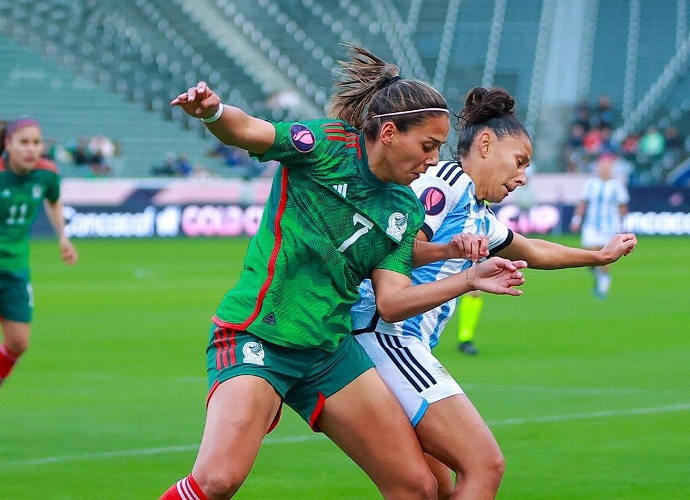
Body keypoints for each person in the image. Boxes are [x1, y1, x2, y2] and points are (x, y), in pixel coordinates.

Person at [161, 45, 528, 500]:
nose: (434, 161)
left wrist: (468, 278)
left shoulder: (403, 208)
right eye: (428, 146)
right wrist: (213, 112)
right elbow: (248, 130)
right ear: (389, 132)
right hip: (258, 335)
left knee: (415, 486)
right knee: (218, 481)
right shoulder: (325, 146)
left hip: (329, 351)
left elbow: (391, 301)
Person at [352, 86, 637, 498]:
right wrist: (455, 256)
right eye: (519, 162)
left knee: (430, 488)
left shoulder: (479, 213)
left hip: (398, 341)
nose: (523, 176)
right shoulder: (446, 181)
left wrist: (598, 257)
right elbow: (394, 249)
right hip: (386, 335)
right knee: (484, 465)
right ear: (485, 144)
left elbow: (536, 250)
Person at [0, 118, 78, 386]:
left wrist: (62, 237)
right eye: (24, 142)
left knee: (18, 342)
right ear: (8, 144)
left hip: (15, 268)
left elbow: (54, 201)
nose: (31, 149)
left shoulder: (46, 174)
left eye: (36, 142)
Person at [570, 152, 630, 298]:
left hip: (609, 226)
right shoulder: (591, 184)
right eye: (603, 167)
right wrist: (576, 219)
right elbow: (583, 202)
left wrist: (624, 225)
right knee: (589, 254)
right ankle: (600, 276)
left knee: (604, 256)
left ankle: (603, 284)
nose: (605, 169)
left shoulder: (617, 186)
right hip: (591, 224)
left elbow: (622, 206)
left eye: (608, 167)